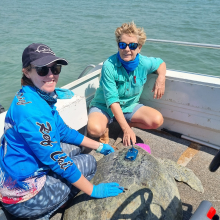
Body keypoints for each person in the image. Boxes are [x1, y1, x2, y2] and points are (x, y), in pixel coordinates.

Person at [0, 43, 123, 219]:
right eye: (43, 70)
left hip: (20, 167)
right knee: (89, 162)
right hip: (22, 196)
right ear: (27, 72)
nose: (51, 75)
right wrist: (93, 190)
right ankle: (39, 213)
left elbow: (63, 131)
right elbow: (58, 160)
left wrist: (99, 146)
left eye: (55, 68)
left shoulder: (35, 96)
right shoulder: (32, 113)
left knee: (77, 148)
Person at [88, 22, 166, 146]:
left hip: (129, 106)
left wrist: (161, 78)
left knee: (157, 120)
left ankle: (121, 123)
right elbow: (112, 101)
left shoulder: (145, 63)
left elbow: (161, 63)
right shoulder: (109, 65)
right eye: (122, 45)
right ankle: (107, 126)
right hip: (104, 106)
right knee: (94, 130)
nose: (127, 49)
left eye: (133, 46)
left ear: (139, 47)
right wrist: (126, 130)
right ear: (118, 45)